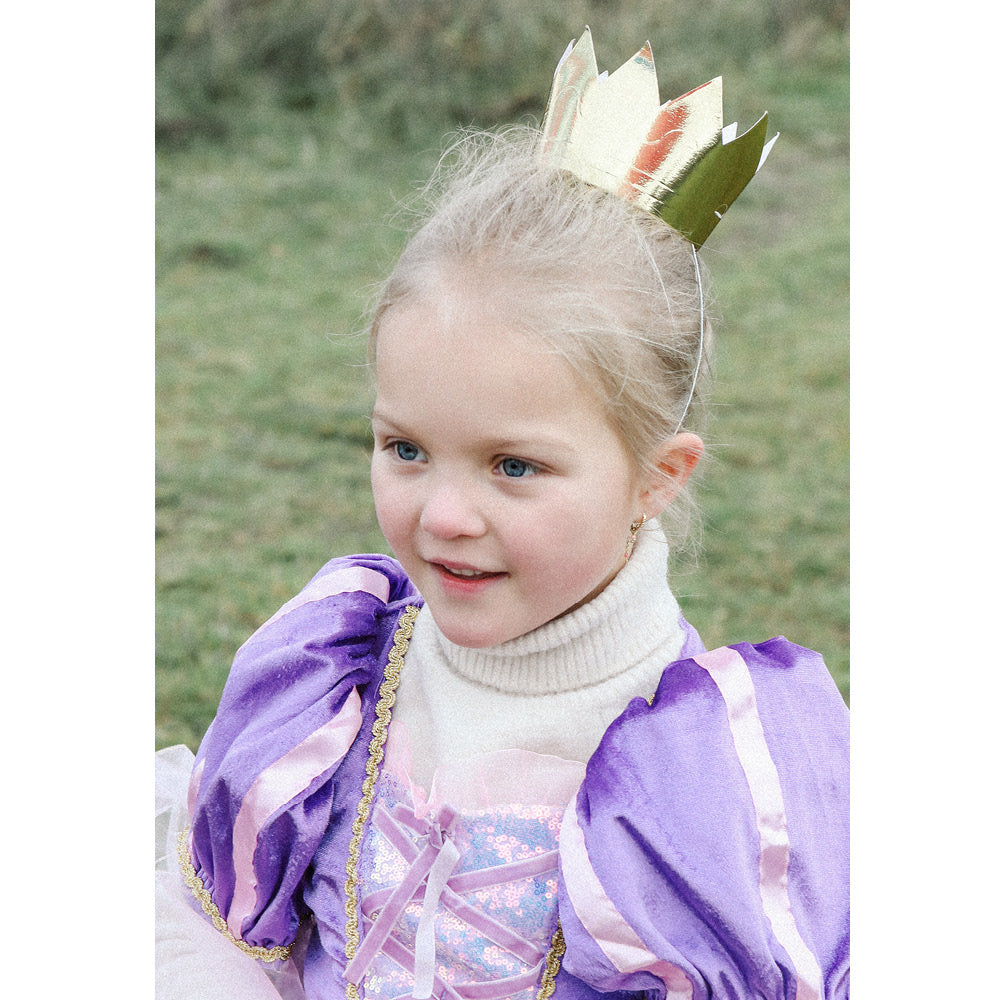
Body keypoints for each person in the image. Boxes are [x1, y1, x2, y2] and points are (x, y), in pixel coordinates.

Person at [156, 29, 849, 1000]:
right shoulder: (334, 679)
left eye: (512, 466)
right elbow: (235, 944)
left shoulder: (708, 779)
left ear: (657, 476)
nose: (442, 516)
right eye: (404, 448)